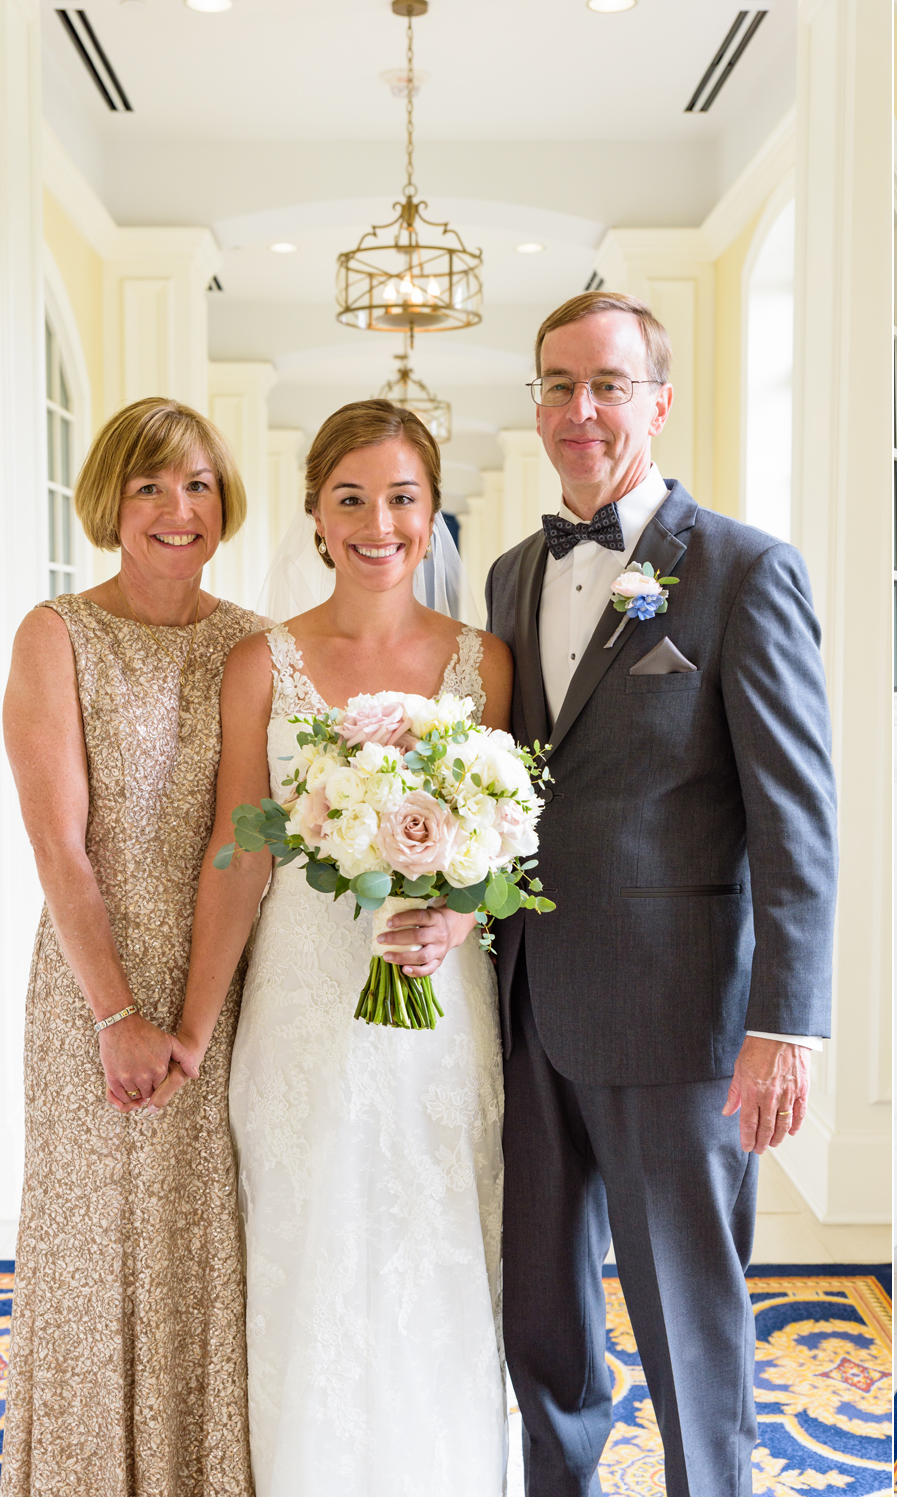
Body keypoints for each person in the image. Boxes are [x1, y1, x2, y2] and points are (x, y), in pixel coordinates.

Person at [483, 292, 837, 1497]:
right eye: (556, 384)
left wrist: (782, 1023)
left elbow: (796, 817)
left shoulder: (742, 571)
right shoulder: (508, 572)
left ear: (658, 401)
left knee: (688, 1315)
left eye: (607, 385)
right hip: (524, 1003)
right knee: (540, 1310)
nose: (578, 411)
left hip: (675, 1013)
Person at [171, 399, 515, 1493]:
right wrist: (191, 1023)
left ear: (430, 513)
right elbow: (238, 848)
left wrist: (461, 910)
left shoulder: (482, 662)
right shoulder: (259, 662)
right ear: (315, 515)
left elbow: (508, 843)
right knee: (309, 1251)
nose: (379, 522)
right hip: (304, 1000)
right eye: (351, 498)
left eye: (402, 498)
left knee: (439, 1242)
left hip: (438, 997)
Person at [0, 397, 261, 1494]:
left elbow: (244, 839)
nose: (176, 508)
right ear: (110, 499)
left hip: (221, 984)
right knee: (90, 1252)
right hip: (87, 990)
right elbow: (60, 844)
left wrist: (193, 1023)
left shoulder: (253, 643)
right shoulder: (56, 633)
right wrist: (116, 1015)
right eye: (151, 485)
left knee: (209, 1252)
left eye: (197, 484)